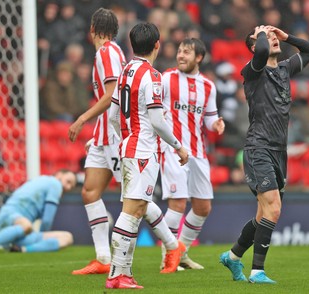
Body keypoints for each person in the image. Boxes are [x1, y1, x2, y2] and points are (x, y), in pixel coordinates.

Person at [69, 8, 187, 276]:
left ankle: (171, 244)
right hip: (111, 135)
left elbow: (113, 97)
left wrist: (85, 120)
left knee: (135, 201)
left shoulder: (108, 53)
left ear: (93, 29)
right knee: (90, 192)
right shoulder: (128, 62)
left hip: (120, 137)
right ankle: (104, 258)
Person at [219, 25, 309, 284]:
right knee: (273, 210)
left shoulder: (285, 69)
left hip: (278, 151)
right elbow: (261, 49)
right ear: (254, 47)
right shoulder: (253, 71)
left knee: (263, 215)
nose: (272, 40)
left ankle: (232, 256)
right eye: (266, 38)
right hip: (258, 147)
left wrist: (287, 37)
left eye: (275, 37)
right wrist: (261, 32)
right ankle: (257, 272)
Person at [106, 22, 189, 289]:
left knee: (138, 209)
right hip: (142, 151)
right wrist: (178, 145)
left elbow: (112, 116)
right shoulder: (151, 75)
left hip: (129, 146)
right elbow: (156, 120)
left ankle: (124, 273)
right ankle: (117, 274)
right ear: (157, 44)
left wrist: (126, 137)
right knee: (131, 212)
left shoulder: (125, 72)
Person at [160, 38, 225, 270]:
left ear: (199, 57)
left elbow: (208, 117)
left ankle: (182, 252)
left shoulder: (208, 86)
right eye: (179, 51)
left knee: (203, 207)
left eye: (186, 52)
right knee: (177, 203)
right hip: (173, 149)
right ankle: (168, 258)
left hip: (198, 151)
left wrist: (215, 124)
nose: (181, 56)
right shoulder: (166, 79)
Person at [0, 169, 77, 253]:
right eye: (68, 181)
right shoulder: (55, 183)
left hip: (17, 236)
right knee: (27, 225)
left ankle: (22, 249)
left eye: (72, 186)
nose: (68, 187)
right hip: (8, 218)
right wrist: (43, 237)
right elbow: (47, 220)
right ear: (58, 175)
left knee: (67, 237)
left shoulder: (39, 180)